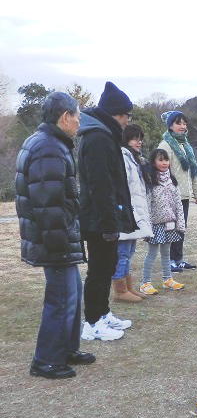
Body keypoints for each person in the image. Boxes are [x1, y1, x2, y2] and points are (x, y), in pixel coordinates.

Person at [15, 92, 95, 379]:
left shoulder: (49, 143)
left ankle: (67, 349)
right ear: (65, 117)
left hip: (58, 236)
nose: (78, 122)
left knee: (71, 291)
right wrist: (59, 244)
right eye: (77, 116)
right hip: (55, 238)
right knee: (61, 298)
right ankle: (46, 360)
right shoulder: (48, 148)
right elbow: (48, 205)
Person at [77, 81, 137, 341]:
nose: (127, 121)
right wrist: (109, 223)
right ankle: (92, 323)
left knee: (107, 265)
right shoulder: (98, 138)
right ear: (116, 114)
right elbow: (101, 185)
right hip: (98, 219)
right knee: (99, 270)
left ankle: (103, 313)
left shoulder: (104, 135)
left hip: (104, 217)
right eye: (126, 116)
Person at [111, 124, 153, 303]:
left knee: (128, 251)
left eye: (140, 138)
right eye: (136, 138)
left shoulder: (135, 159)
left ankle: (128, 287)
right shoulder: (123, 156)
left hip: (134, 212)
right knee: (122, 252)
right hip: (126, 212)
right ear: (126, 139)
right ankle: (120, 290)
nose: (139, 142)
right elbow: (122, 185)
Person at [157, 111, 197, 273]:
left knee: (181, 229)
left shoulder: (186, 145)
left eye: (184, 123)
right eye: (178, 123)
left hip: (183, 195)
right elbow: (159, 171)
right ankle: (168, 260)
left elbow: (193, 171)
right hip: (169, 195)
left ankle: (178, 259)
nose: (182, 127)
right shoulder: (165, 145)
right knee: (170, 229)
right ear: (170, 126)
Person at [140, 148, 186, 295]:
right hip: (155, 224)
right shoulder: (150, 180)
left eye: (166, 159)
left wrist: (180, 222)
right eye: (160, 160)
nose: (164, 162)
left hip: (169, 223)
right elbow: (147, 203)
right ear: (153, 162)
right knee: (152, 253)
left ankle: (167, 279)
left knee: (166, 253)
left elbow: (178, 202)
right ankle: (145, 283)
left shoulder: (172, 180)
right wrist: (146, 224)